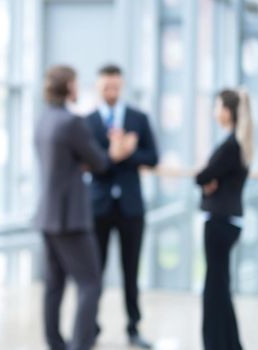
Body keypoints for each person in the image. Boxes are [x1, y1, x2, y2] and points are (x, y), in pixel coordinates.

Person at [34, 65, 113, 350]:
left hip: (48, 215)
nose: (79, 89)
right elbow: (100, 162)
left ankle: (55, 344)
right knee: (90, 283)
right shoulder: (71, 122)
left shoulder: (44, 119)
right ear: (68, 86)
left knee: (54, 285)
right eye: (77, 84)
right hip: (71, 218)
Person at [85, 64, 158, 349]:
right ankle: (90, 326)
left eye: (115, 87)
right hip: (98, 207)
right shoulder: (87, 122)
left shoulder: (139, 118)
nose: (111, 92)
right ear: (98, 88)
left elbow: (152, 156)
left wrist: (127, 153)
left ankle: (133, 328)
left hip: (131, 208)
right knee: (95, 271)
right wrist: (112, 154)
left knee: (131, 271)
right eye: (106, 88)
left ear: (122, 85)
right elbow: (86, 160)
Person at [196, 88, 253, 350]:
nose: (214, 111)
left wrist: (208, 180)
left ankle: (216, 344)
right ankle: (229, 344)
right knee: (220, 287)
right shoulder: (236, 143)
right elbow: (208, 177)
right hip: (227, 221)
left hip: (220, 222)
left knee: (214, 290)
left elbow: (202, 176)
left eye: (217, 106)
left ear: (227, 112)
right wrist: (209, 180)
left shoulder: (231, 145)